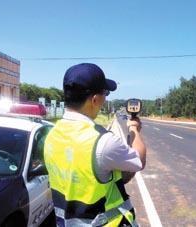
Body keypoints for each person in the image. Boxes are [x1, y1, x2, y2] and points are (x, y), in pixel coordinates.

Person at [44, 63, 146, 227]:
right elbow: (138, 160)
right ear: (95, 99)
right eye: (105, 93)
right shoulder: (103, 142)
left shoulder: (51, 136)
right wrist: (134, 129)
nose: (105, 97)